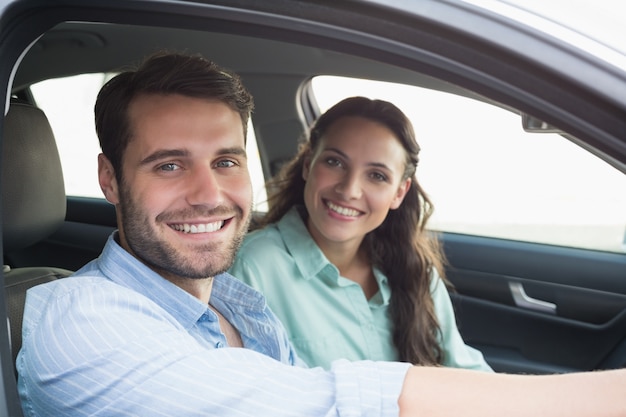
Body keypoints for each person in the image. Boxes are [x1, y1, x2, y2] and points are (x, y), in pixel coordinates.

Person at [16, 51, 626, 417]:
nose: (208, 193)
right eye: (169, 164)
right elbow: (318, 403)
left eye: (227, 160)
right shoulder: (77, 319)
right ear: (110, 178)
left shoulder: (234, 300)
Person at [229, 96, 491, 371]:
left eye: (377, 175)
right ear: (308, 164)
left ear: (399, 193)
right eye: (334, 162)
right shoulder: (253, 266)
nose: (349, 190)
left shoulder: (417, 273)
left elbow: (467, 372)